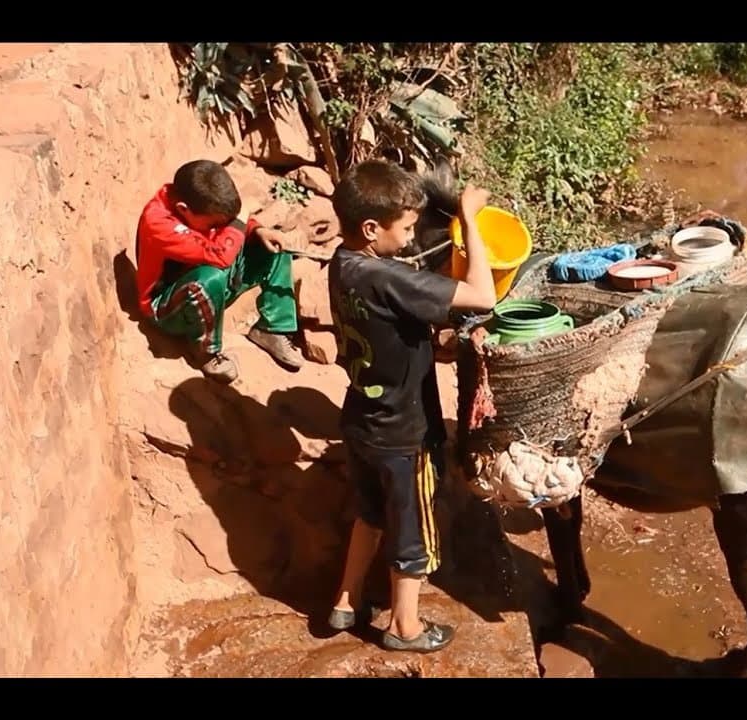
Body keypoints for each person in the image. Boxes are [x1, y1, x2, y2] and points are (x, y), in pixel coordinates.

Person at [325, 159, 497, 653]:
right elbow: (482, 296)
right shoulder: (387, 277)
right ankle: (405, 627)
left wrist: (425, 342)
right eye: (406, 228)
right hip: (404, 434)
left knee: (370, 513)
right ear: (372, 228)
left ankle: (346, 599)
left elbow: (388, 327)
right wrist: (468, 219)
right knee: (412, 529)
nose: (411, 236)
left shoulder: (343, 264)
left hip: (360, 419)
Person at [134, 159, 304, 384]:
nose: (217, 226)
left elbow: (232, 223)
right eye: (213, 223)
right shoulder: (158, 223)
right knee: (208, 280)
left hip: (209, 274)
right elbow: (220, 256)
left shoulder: (197, 198)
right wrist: (243, 219)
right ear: (183, 210)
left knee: (275, 247)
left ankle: (273, 328)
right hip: (169, 306)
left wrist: (258, 229)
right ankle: (207, 353)